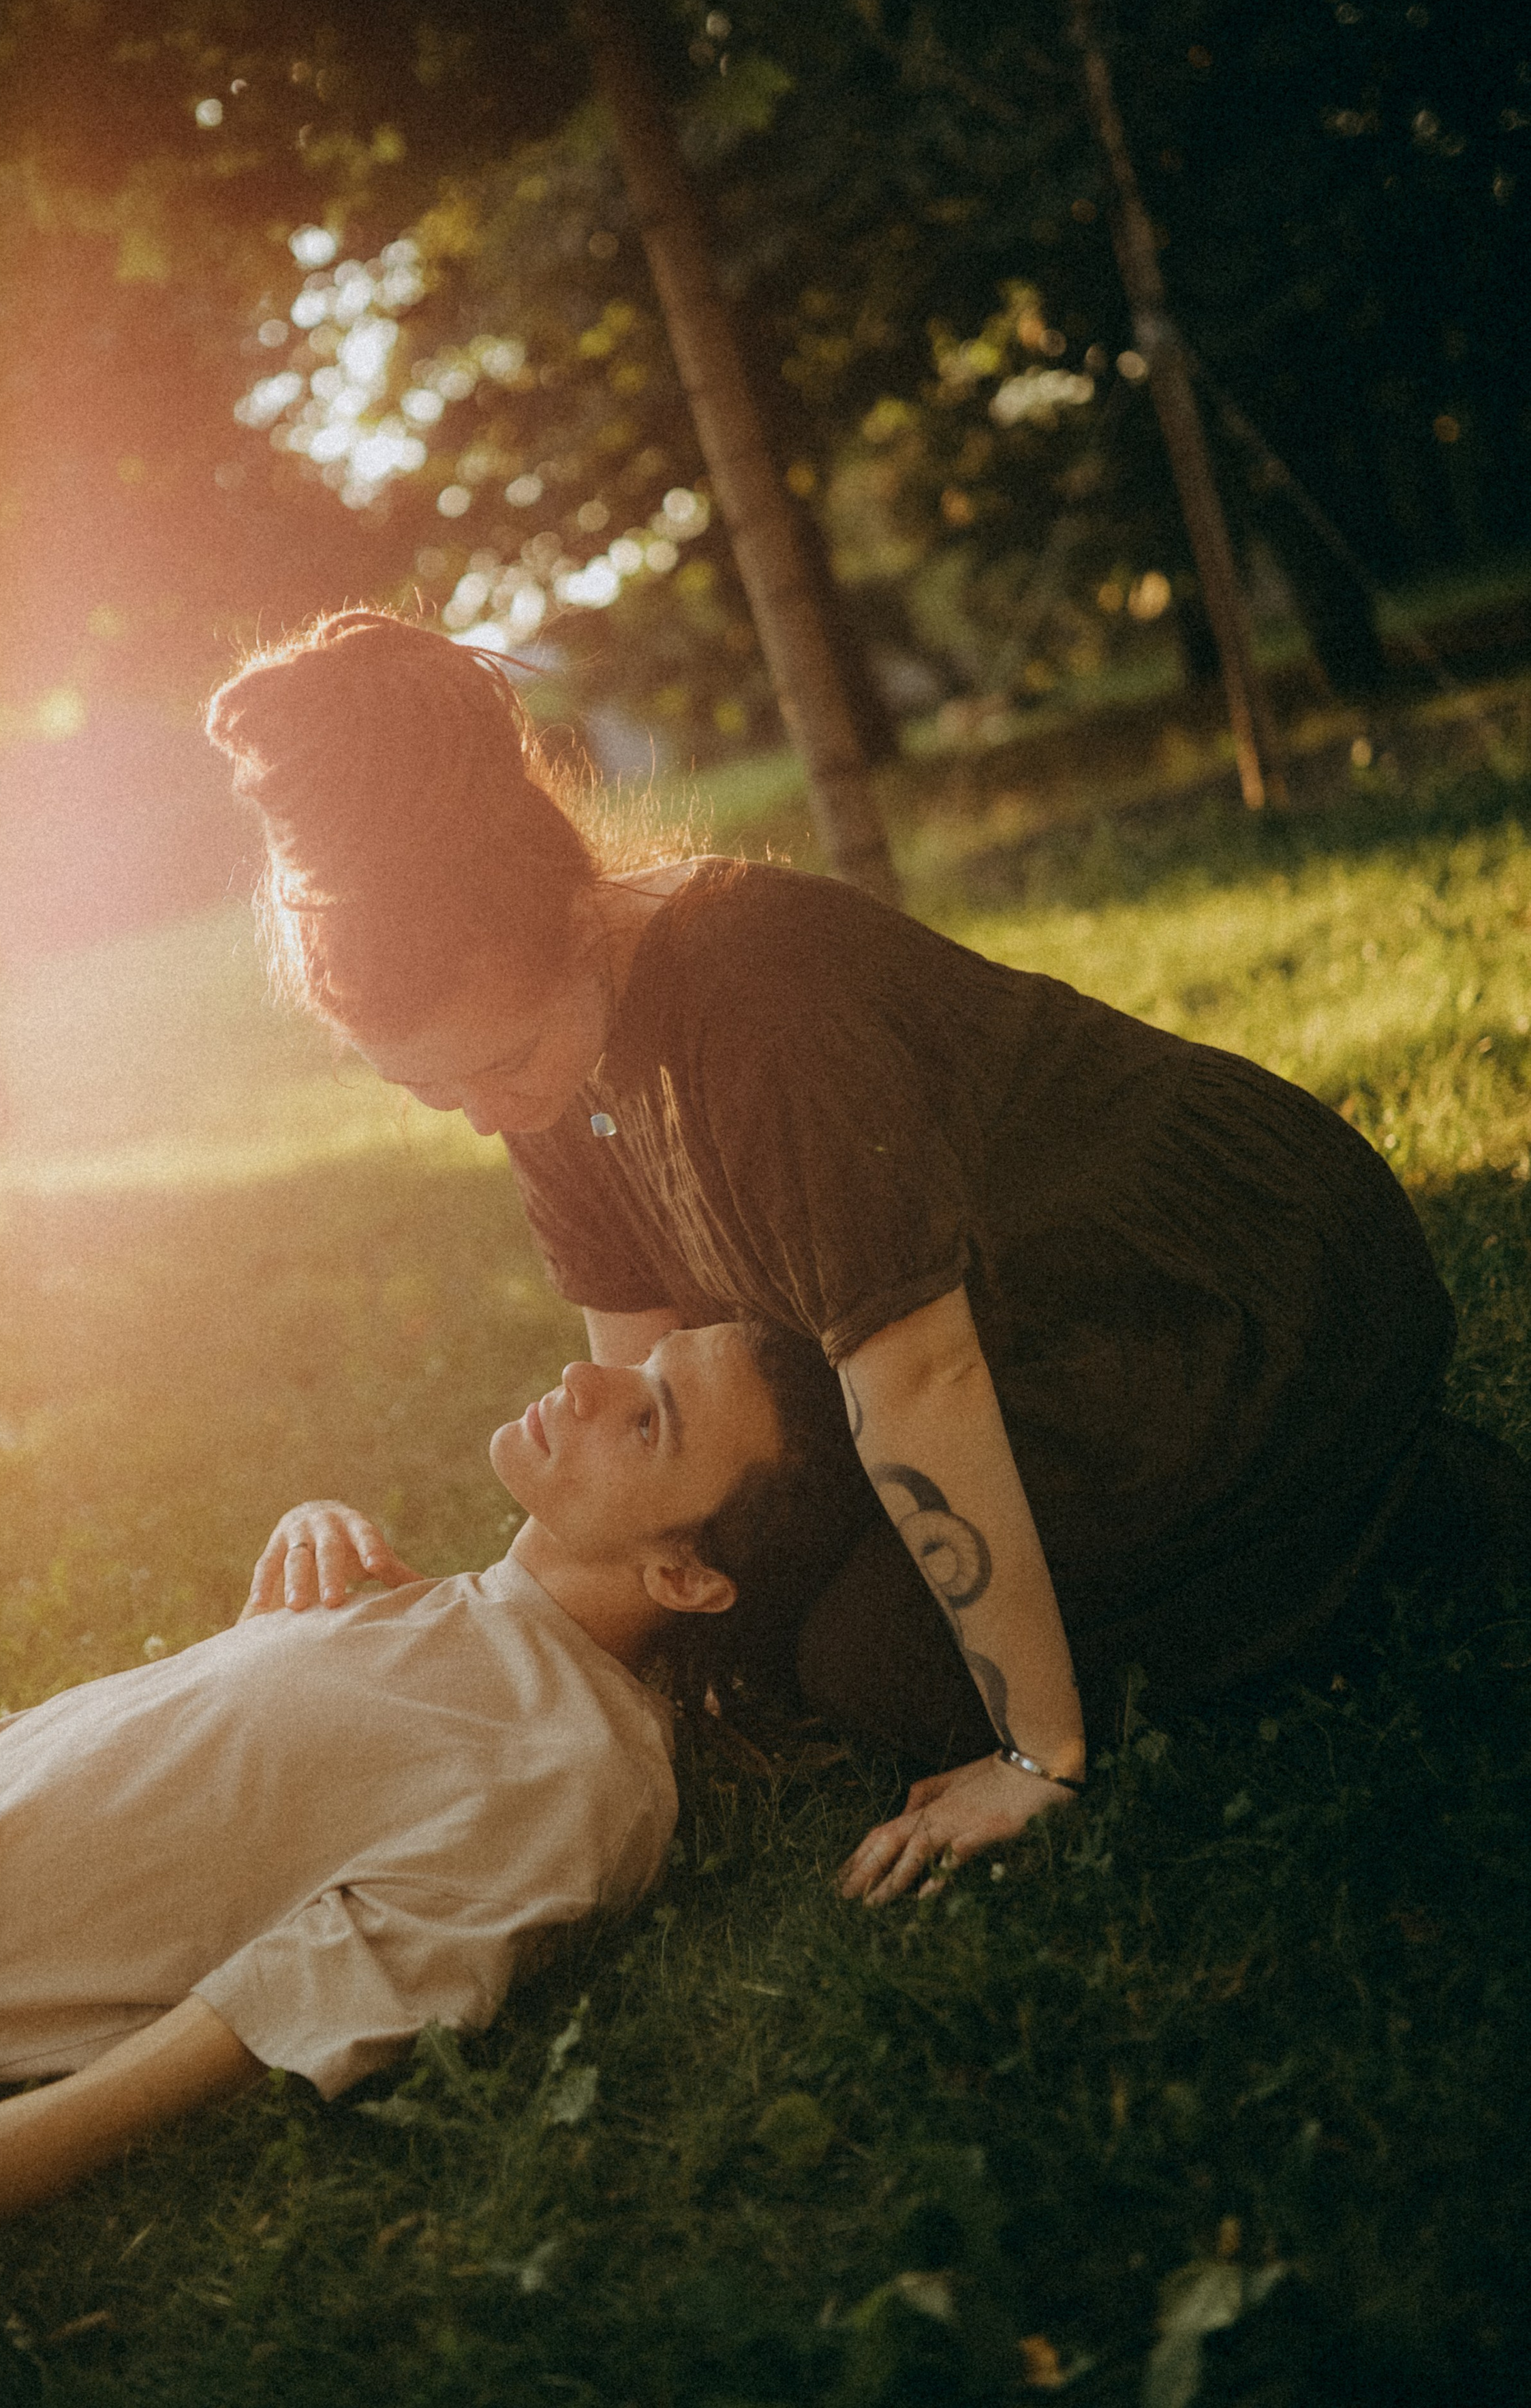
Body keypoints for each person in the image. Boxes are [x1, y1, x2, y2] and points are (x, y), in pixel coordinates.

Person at [206, 610, 1474, 1904]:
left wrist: (1039, 1751)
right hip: (1015, 1330)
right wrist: (489, 1657)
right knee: (791, 1622)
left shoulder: (761, 1007)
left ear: (571, 914)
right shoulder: (549, 1071)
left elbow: (920, 1381)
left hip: (1224, 1281)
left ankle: (1387, 1496)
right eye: (432, 1092)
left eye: (498, 1062)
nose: (485, 1109)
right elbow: (641, 1447)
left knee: (881, 1664)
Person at [0, 1319, 839, 2302]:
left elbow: (162, 2083)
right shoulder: (461, 1615)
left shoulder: (567, 1782)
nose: (584, 1377)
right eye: (637, 1363)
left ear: (687, 1576)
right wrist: (296, 1609)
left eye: (647, 1419)